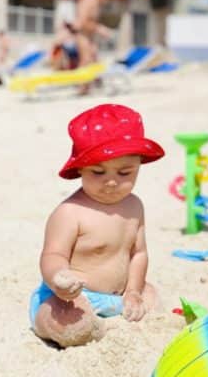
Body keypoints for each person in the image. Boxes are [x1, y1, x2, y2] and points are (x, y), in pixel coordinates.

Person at [29, 103, 165, 348]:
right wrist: (59, 279)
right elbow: (53, 254)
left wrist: (133, 290)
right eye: (98, 172)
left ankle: (119, 309)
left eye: (125, 173)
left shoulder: (135, 207)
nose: (111, 182)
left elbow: (138, 254)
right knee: (70, 322)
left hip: (116, 297)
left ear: (139, 167)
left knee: (152, 295)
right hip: (72, 297)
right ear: (80, 168)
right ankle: (50, 322)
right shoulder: (70, 212)